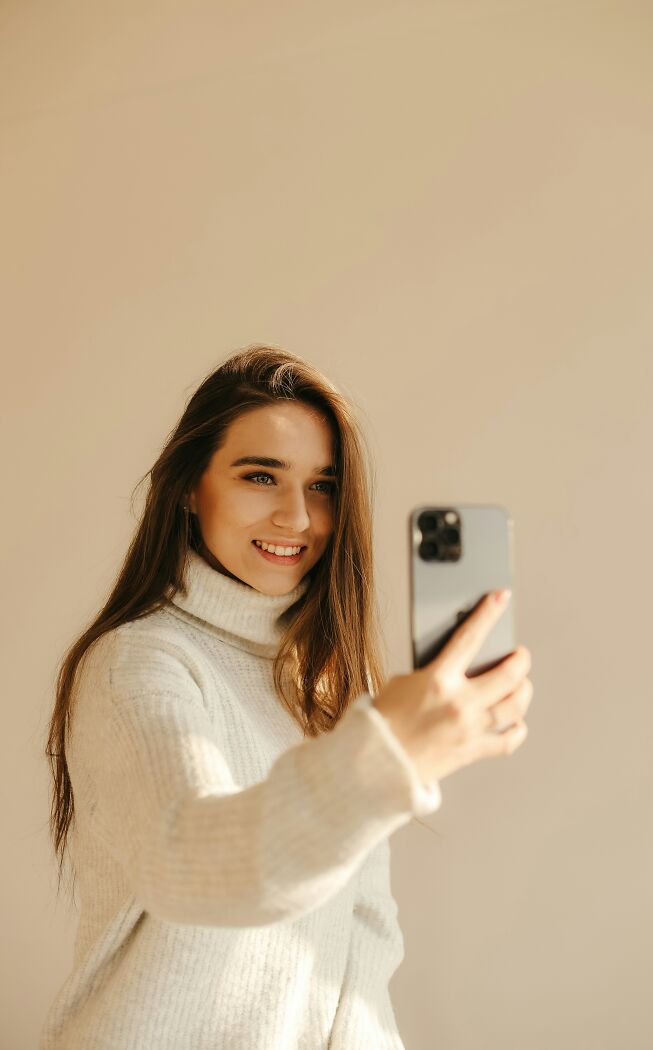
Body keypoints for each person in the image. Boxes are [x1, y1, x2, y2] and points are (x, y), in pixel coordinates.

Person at [40, 344, 533, 1049]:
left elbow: (362, 947)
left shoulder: (327, 683)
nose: (297, 518)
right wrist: (388, 754)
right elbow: (196, 868)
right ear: (189, 486)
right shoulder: (137, 665)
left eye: (323, 485)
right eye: (260, 476)